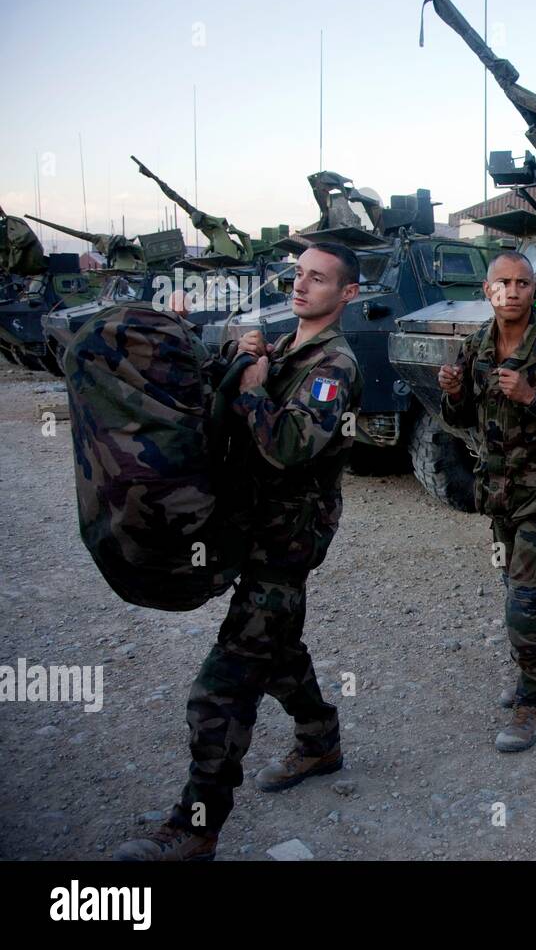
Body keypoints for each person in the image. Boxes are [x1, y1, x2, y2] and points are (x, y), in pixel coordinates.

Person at [115, 243, 362, 861]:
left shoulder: (335, 367)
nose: (302, 286)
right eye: (298, 275)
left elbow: (289, 447)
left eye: (319, 279)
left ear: (348, 295)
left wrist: (253, 389)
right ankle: (319, 738)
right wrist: (234, 352)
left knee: (223, 683)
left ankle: (195, 827)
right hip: (251, 528)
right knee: (276, 649)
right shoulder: (285, 348)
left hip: (286, 540)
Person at [437, 251, 536, 752]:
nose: (512, 291)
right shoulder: (476, 345)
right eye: (502, 283)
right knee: (524, 583)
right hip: (500, 493)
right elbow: (461, 416)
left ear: (533, 291)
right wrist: (452, 391)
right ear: (486, 291)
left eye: (522, 283)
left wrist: (534, 398)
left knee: (525, 599)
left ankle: (534, 701)